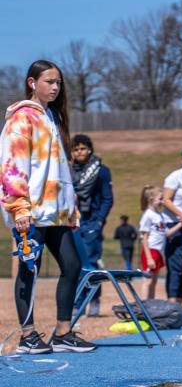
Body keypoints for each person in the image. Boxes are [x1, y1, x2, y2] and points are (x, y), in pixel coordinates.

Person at [2, 60, 95, 353]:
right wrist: (19, 208)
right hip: (30, 211)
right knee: (30, 268)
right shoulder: (21, 118)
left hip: (57, 212)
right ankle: (27, 335)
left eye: (58, 83)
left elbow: (59, 170)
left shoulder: (52, 118)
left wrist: (71, 208)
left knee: (72, 265)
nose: (55, 88)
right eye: (49, 82)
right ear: (32, 83)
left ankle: (63, 332)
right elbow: (11, 166)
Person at [70, 134, 113, 316]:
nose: (79, 152)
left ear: (89, 149)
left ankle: (88, 302)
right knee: (74, 263)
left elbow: (107, 198)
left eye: (82, 148)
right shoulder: (68, 170)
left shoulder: (101, 170)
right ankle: (80, 301)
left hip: (92, 221)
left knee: (90, 263)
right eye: (76, 149)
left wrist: (99, 221)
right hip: (73, 221)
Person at [139, 185, 182, 300]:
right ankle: (143, 306)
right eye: (160, 198)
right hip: (151, 251)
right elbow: (144, 237)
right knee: (147, 281)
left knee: (153, 282)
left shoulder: (160, 215)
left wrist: (180, 224)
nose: (162, 201)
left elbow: (166, 233)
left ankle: (151, 306)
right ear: (151, 199)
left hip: (158, 252)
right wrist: (149, 257)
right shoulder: (148, 215)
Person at [161, 151, 182, 304]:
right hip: (175, 224)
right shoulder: (175, 176)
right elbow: (165, 200)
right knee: (176, 266)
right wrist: (181, 214)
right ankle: (171, 302)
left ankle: (179, 303)